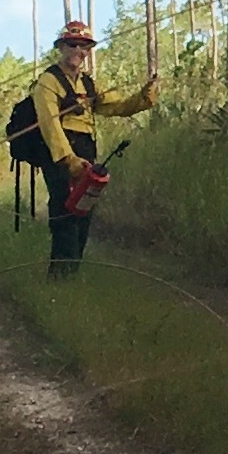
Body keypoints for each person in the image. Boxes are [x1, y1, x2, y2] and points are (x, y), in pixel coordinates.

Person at [28, 20, 156, 278]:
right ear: (62, 47)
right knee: (65, 212)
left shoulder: (88, 85)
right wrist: (69, 160)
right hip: (61, 156)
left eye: (85, 47)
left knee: (83, 212)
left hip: (86, 151)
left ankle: (72, 275)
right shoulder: (48, 82)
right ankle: (59, 277)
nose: (79, 51)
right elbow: (49, 125)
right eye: (73, 45)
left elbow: (115, 107)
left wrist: (142, 99)